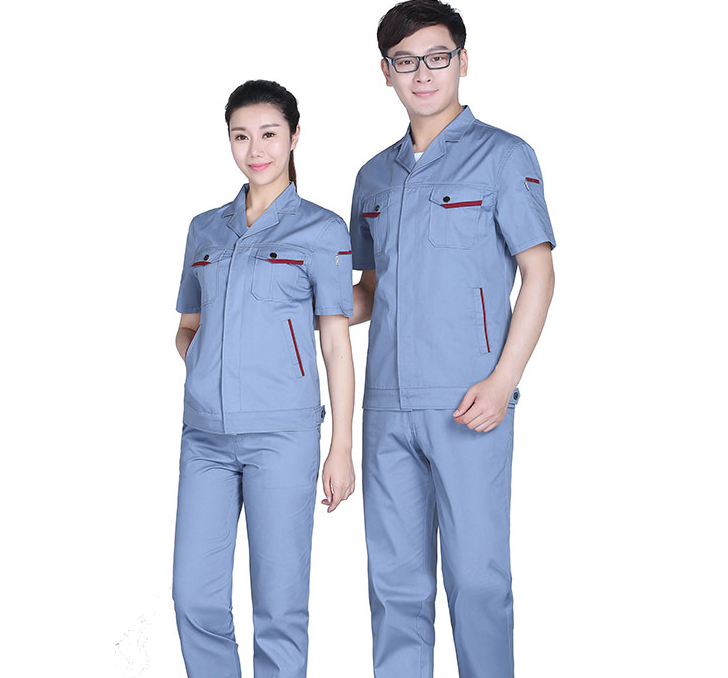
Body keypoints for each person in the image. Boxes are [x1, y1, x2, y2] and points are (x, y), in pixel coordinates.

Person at [348, 2, 557, 676]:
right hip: (386, 408)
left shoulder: (504, 156)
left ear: (462, 61)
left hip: (470, 400)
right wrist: (285, 304)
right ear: (385, 72)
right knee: (395, 590)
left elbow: (539, 273)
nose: (423, 73)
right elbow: (368, 292)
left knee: (478, 582)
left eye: (437, 57)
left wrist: (502, 383)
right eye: (405, 61)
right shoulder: (373, 176)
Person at [172, 79, 356, 678]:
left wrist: (341, 448)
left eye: (269, 134)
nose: (256, 149)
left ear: (294, 137)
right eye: (241, 136)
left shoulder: (322, 231)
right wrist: (208, 370)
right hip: (205, 438)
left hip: (283, 437)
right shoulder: (205, 228)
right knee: (194, 597)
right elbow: (188, 328)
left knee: (279, 607)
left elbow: (335, 343)